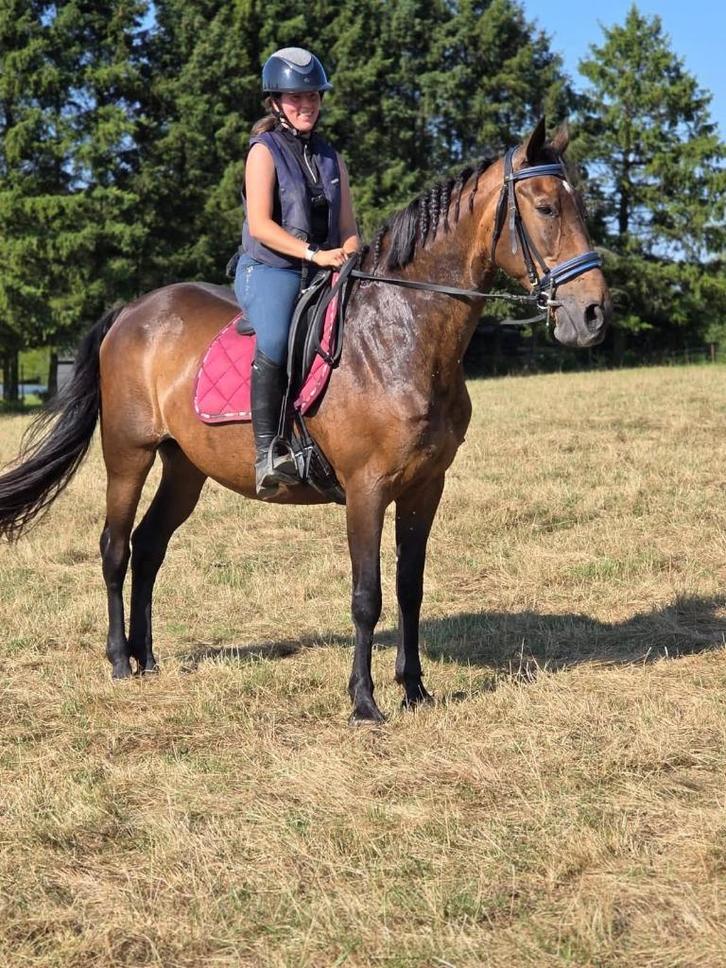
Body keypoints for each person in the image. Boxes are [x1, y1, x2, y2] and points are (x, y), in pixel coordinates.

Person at [233, 47, 361, 498]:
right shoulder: (263, 153)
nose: (306, 104)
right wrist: (314, 254)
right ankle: (268, 452)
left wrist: (346, 255)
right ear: (275, 102)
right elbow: (262, 226)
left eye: (312, 96)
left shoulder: (332, 158)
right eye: (295, 97)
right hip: (271, 269)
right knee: (274, 338)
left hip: (324, 269)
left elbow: (348, 230)